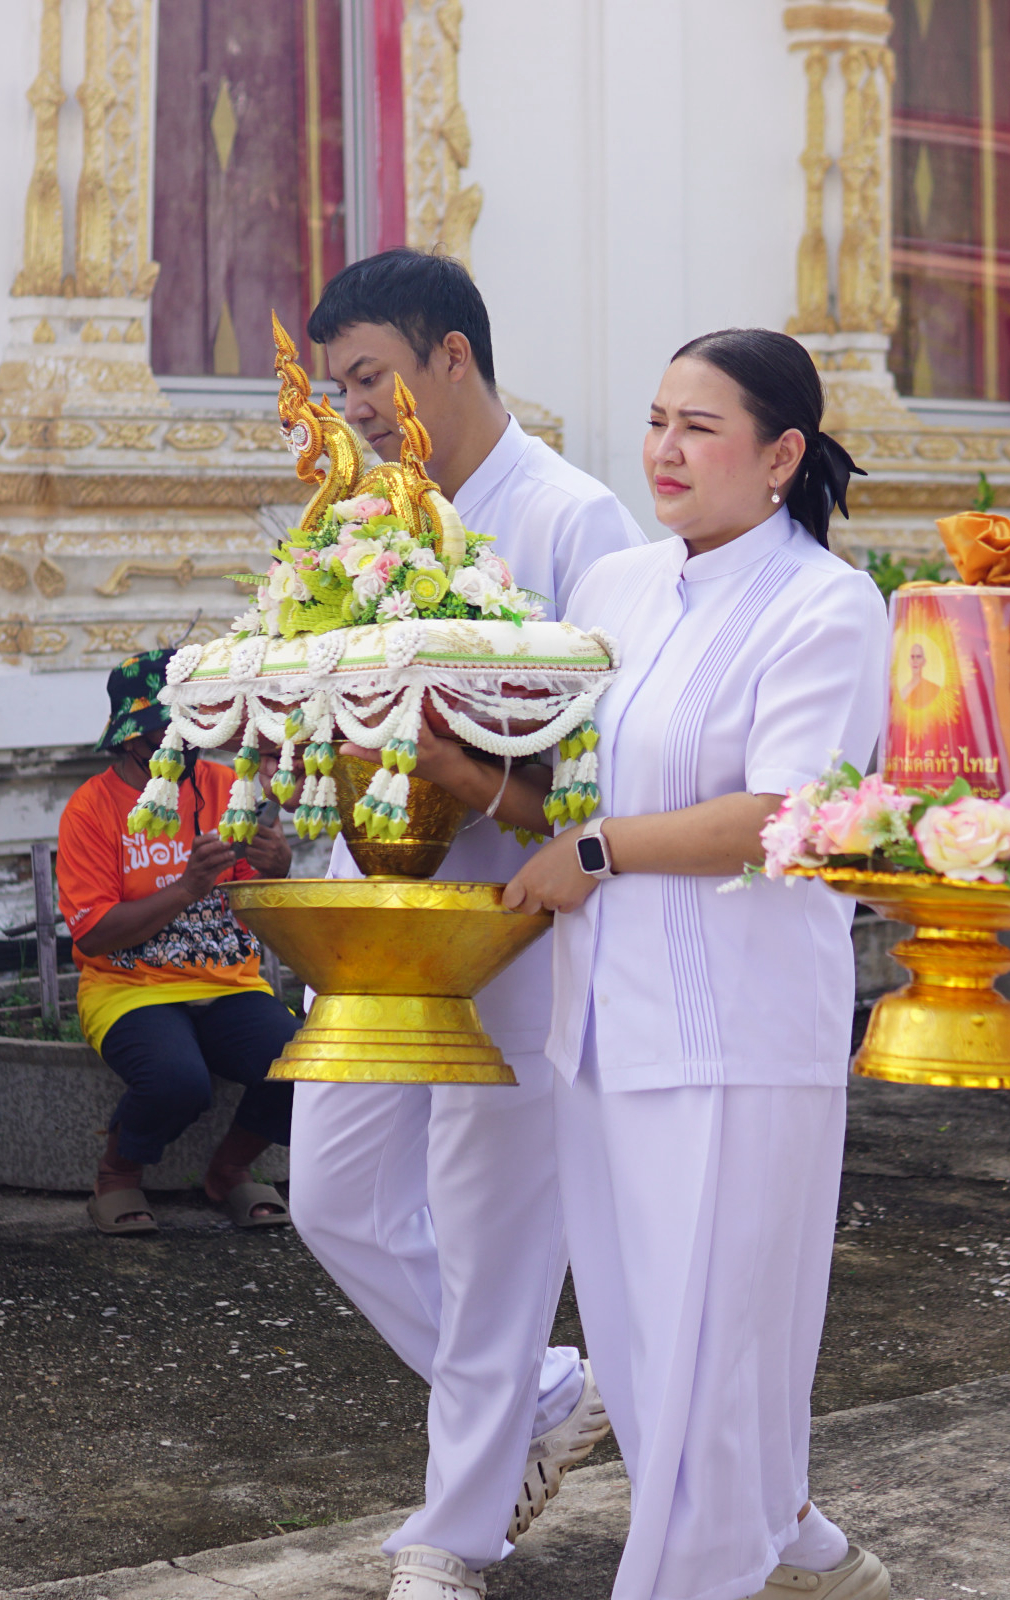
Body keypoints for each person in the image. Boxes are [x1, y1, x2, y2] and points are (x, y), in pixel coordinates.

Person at [502, 327, 892, 1600]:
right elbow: (556, 771)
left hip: (736, 1027)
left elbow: (790, 811)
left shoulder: (825, 605)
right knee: (643, 1343)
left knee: (710, 1355)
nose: (665, 448)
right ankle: (790, 1541)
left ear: (782, 454)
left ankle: (702, 1571)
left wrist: (600, 849)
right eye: (659, 418)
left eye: (700, 426)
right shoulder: (617, 586)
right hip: (603, 1021)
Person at [287, 248, 643, 1600]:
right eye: (337, 387)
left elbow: (616, 762)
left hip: (515, 914)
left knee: (495, 1228)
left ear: (452, 357)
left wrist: (480, 781)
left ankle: (457, 1528)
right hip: (383, 909)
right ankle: (547, 1396)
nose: (356, 406)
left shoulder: (571, 521)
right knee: (333, 1192)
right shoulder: (363, 512)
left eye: (370, 377)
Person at [57, 650, 299, 1234]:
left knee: (306, 1062)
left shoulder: (225, 787)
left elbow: (256, 899)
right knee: (176, 1080)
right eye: (162, 733)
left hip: (228, 981)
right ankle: (117, 1175)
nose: (180, 745)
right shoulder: (91, 808)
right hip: (127, 987)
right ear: (128, 739)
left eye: (190, 730)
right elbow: (93, 931)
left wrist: (277, 866)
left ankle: (231, 1169)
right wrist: (186, 888)